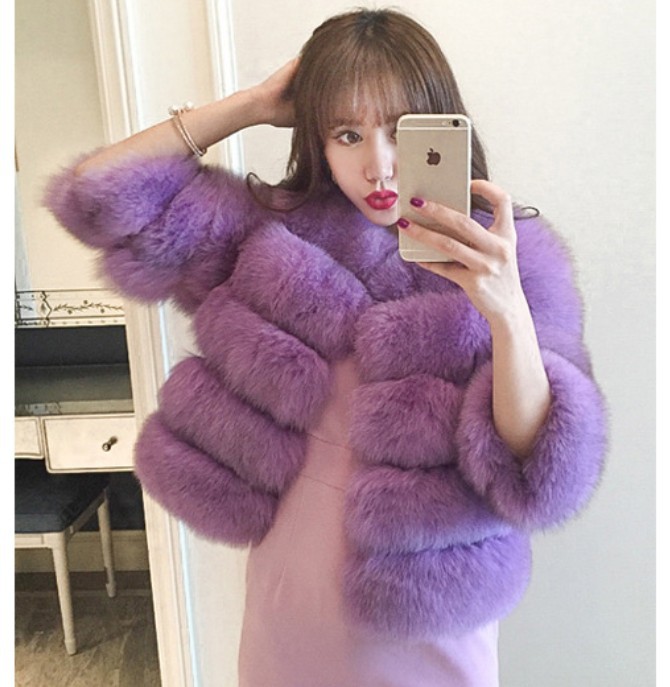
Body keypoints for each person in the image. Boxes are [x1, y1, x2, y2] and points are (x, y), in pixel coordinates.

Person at [44, 8, 607, 687]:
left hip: (430, 613)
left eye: (401, 131)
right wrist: (251, 105)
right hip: (290, 599)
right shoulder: (267, 236)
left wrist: (506, 310)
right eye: (347, 134)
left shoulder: (513, 260)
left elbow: (541, 469)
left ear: (441, 128)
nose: (378, 164)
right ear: (317, 139)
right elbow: (95, 199)